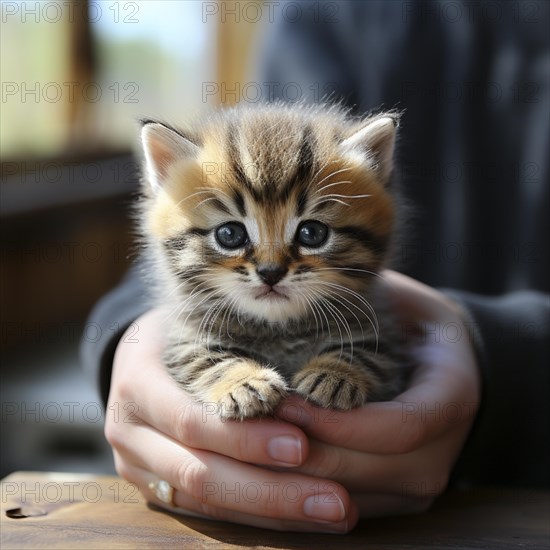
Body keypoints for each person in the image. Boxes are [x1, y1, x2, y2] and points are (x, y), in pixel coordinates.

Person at [82, 0, 549, 533]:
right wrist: (122, 336)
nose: (272, 266)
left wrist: (501, 360)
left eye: (311, 234)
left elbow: (378, 354)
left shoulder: (358, 320)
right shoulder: (324, 13)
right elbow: (163, 296)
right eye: (233, 236)